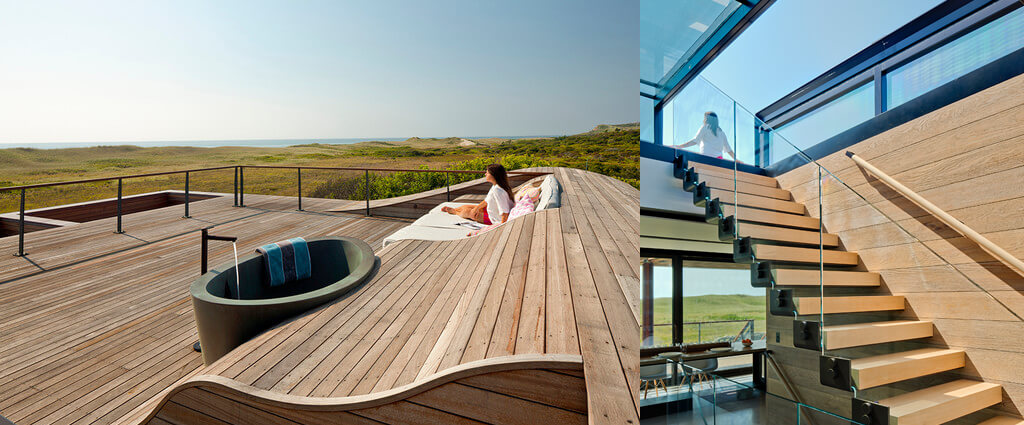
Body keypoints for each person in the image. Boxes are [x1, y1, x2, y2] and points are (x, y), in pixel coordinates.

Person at [442, 163, 515, 225]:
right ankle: (456, 209)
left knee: (467, 212)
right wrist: (477, 208)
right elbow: (487, 200)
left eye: (487, 172)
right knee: (466, 206)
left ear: (494, 175)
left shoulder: (498, 191)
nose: (485, 174)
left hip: (494, 218)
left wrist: (501, 228)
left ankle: (454, 212)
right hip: (491, 210)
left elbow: (505, 213)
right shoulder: (496, 186)